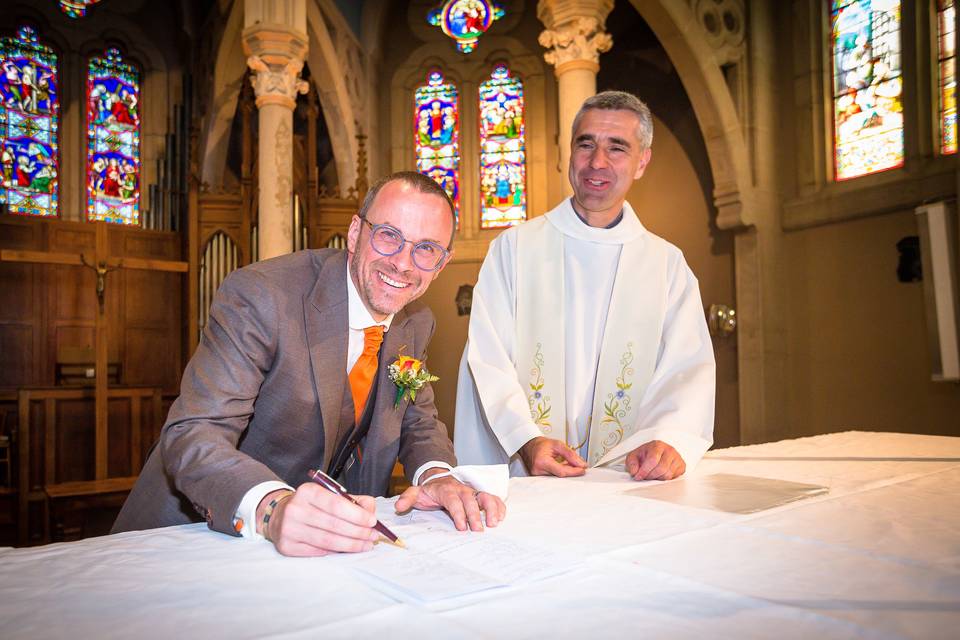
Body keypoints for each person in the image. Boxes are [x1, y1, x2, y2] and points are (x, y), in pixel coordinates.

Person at [114, 171, 506, 556]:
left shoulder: (416, 322)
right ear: (355, 233)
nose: (403, 263)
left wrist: (437, 476)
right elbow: (194, 434)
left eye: (426, 249)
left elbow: (417, 421)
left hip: (321, 542)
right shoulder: (263, 296)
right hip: (195, 533)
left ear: (442, 262)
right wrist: (273, 508)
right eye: (389, 236)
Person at [454, 91, 715, 481]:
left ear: (642, 161)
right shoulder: (514, 248)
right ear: (568, 153)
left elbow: (686, 368)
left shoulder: (666, 265)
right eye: (586, 144)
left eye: (617, 148)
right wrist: (527, 440)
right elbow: (487, 356)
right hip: (530, 476)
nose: (597, 162)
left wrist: (669, 438)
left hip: (627, 479)